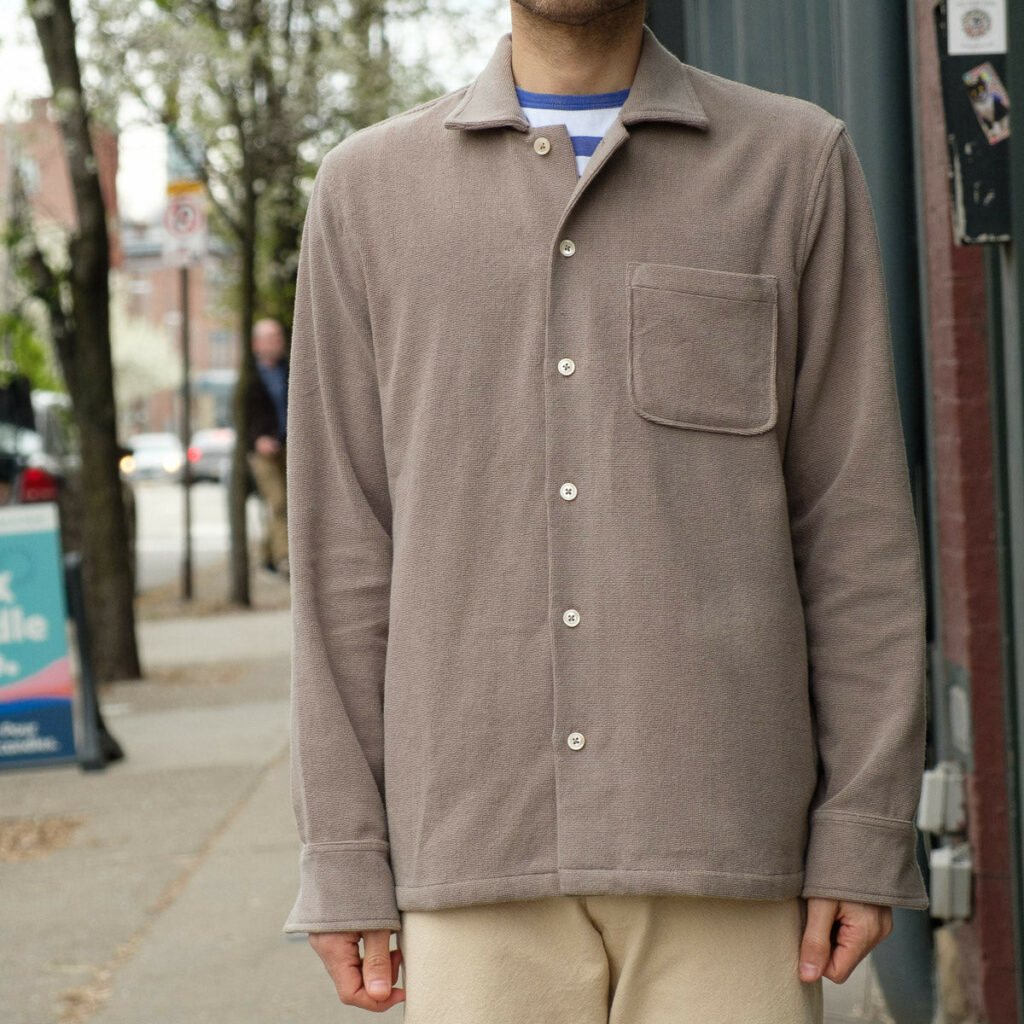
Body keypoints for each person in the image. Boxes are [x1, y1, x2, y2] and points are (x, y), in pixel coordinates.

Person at [283, 2, 930, 1020]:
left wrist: (864, 823)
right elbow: (339, 555)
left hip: (729, 850)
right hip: (467, 849)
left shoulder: (793, 165)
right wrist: (342, 852)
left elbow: (855, 532)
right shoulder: (367, 193)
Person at [247, 317, 289, 578]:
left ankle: (267, 555)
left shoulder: (290, 370)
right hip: (263, 452)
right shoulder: (250, 378)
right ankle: (284, 557)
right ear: (257, 344)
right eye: (270, 337)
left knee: (287, 503)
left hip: (288, 448)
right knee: (278, 502)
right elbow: (242, 416)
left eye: (278, 336)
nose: (277, 341)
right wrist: (257, 439)